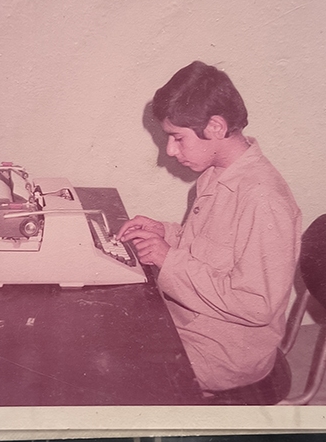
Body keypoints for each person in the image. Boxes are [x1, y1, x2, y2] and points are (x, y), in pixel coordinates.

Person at [117, 61, 302, 404]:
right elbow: (212, 249)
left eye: (177, 138)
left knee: (117, 374)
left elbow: (257, 304)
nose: (170, 150)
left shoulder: (263, 199)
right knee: (112, 334)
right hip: (191, 321)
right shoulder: (217, 174)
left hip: (226, 350)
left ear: (216, 126)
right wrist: (165, 233)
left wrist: (168, 260)